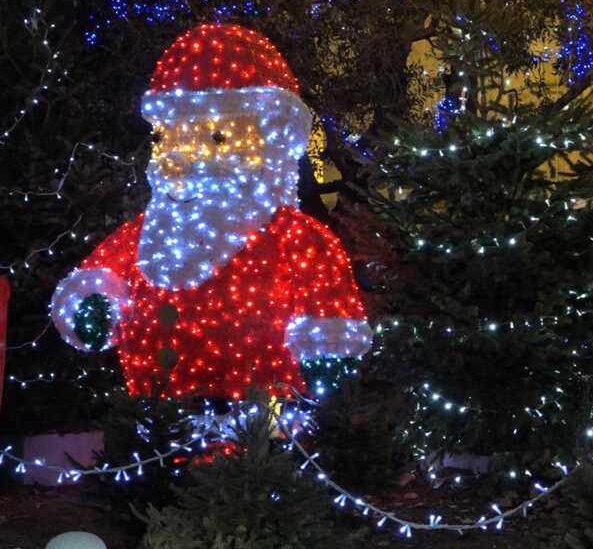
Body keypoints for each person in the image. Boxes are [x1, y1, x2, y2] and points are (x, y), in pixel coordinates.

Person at [50, 24, 372, 400]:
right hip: (157, 419)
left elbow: (327, 300)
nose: (184, 155)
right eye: (168, 136)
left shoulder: (294, 237)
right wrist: (91, 302)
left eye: (217, 136)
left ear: (270, 143)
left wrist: (328, 350)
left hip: (265, 420)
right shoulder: (146, 235)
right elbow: (98, 282)